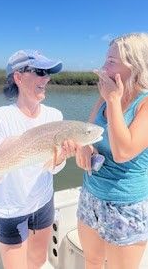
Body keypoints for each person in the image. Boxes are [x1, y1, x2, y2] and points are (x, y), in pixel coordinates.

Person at [0, 49, 75, 269]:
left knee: (38, 261)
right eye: (40, 72)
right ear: (18, 77)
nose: (47, 78)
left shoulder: (55, 117)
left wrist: (60, 159)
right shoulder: (0, 118)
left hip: (43, 202)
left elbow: (51, 169)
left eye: (48, 73)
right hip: (11, 207)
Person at [75, 33, 148, 269]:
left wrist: (114, 100)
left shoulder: (143, 103)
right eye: (106, 59)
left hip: (125, 206)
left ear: (135, 66)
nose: (103, 67)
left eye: (111, 62)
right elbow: (88, 133)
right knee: (93, 262)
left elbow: (123, 152)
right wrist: (85, 148)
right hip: (91, 196)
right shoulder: (105, 97)